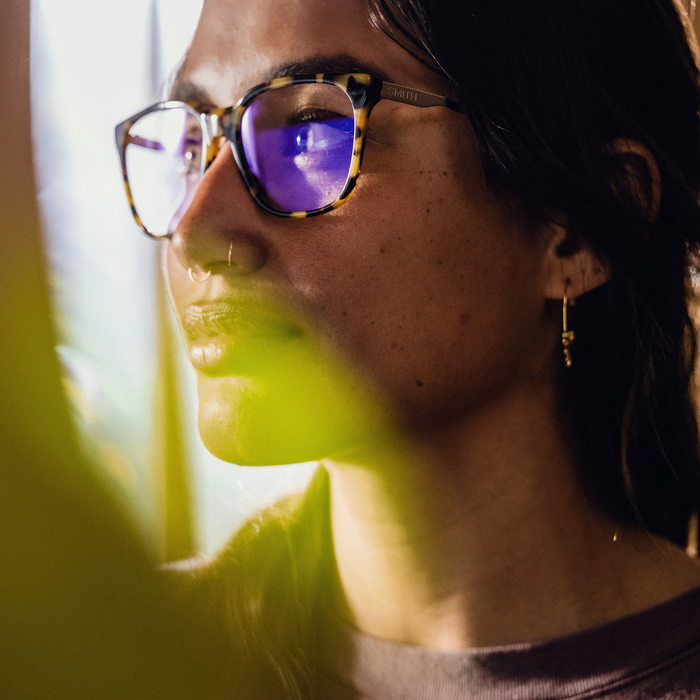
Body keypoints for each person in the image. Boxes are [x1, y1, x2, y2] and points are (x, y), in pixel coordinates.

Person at [115, 0, 700, 697]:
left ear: (579, 232)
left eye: (310, 132)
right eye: (195, 144)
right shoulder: (117, 662)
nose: (195, 229)